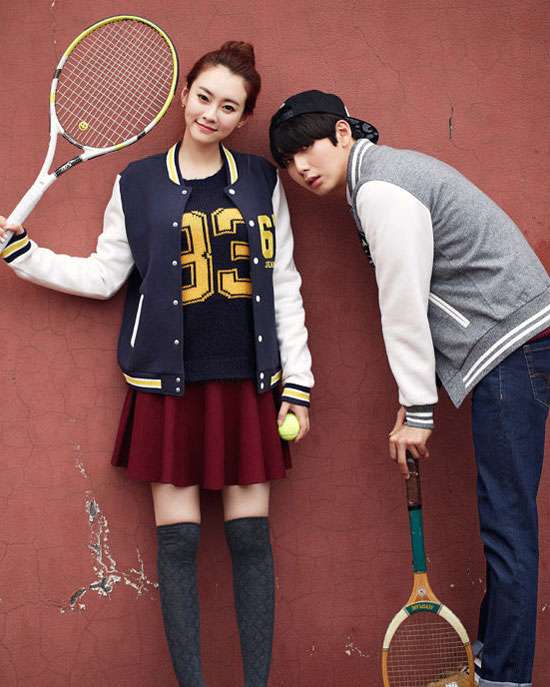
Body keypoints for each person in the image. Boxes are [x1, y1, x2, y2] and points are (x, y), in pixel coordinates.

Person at [0, 43, 313, 687]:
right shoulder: (137, 182)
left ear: (243, 116)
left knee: (249, 539)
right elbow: (105, 276)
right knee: (178, 543)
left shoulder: (262, 180)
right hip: (166, 385)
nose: (211, 113)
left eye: (229, 106)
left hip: (249, 382)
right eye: (204, 96)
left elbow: (284, 281)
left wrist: (299, 385)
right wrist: (24, 255)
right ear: (184, 94)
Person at [269, 90, 550, 687]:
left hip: (513, 346)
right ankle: (496, 665)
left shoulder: (381, 189)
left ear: (342, 133)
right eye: (288, 162)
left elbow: (402, 306)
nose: (301, 168)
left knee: (508, 524)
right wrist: (413, 400)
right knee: (506, 520)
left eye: (307, 148)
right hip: (516, 345)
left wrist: (419, 411)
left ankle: (504, 677)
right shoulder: (381, 177)